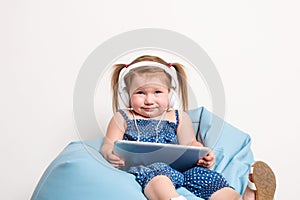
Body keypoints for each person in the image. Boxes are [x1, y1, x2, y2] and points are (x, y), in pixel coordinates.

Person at [100, 55, 276, 200]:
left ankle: (239, 198)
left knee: (208, 179)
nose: (149, 100)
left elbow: (190, 142)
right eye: (140, 93)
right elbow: (108, 144)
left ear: (171, 95)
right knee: (158, 176)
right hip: (148, 166)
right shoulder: (123, 117)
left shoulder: (178, 117)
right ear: (126, 96)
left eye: (157, 92)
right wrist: (110, 154)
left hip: (182, 167)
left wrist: (203, 154)